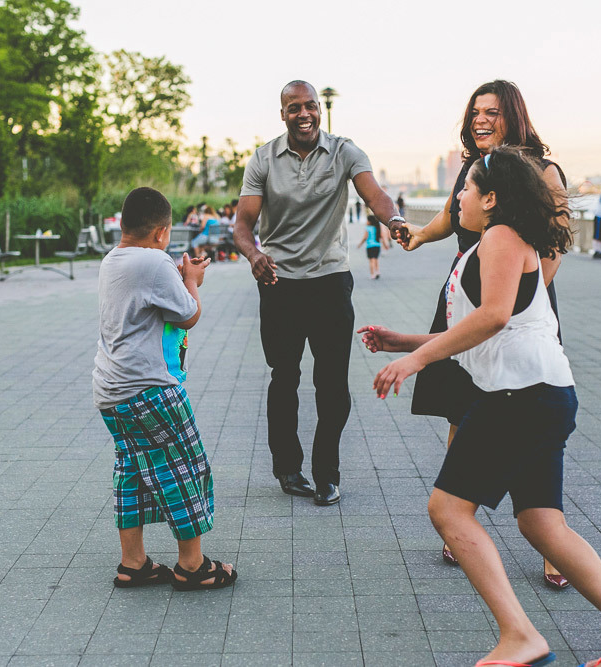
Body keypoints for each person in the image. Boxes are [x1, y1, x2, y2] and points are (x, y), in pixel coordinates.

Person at [362, 147, 601, 667]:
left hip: (518, 397)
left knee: (448, 509)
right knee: (541, 524)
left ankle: (520, 637)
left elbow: (495, 318)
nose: (458, 196)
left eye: (466, 188)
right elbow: (484, 325)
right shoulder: (493, 240)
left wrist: (416, 360)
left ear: (491, 197)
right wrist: (403, 341)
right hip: (544, 395)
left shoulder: (502, 237)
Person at [396, 80, 568, 587]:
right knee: (461, 409)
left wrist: (518, 305)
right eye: (475, 112)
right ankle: (458, 525)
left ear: (514, 116)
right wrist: (418, 237)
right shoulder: (474, 171)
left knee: (532, 417)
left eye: (492, 112)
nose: (481, 119)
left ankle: (552, 545)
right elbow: (451, 218)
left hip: (515, 309)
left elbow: (553, 249)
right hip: (467, 302)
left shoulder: (542, 171)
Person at [233, 80, 408, 506]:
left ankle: (326, 473)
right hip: (279, 284)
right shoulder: (262, 159)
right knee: (284, 377)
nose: (304, 114)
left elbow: (375, 195)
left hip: (330, 281)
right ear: (282, 114)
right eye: (294, 108)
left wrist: (395, 220)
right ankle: (288, 468)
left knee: (331, 382)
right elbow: (242, 225)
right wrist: (254, 255)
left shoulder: (345, 151)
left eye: (310, 106)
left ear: (319, 110)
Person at [92, 187, 236, 592]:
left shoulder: (112, 259)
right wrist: (192, 280)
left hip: (111, 391)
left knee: (134, 469)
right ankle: (193, 566)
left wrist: (176, 274)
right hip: (149, 390)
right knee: (183, 468)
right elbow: (188, 315)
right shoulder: (155, 262)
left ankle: (133, 563)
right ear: (161, 232)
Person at [357, 214, 391, 279]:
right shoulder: (377, 227)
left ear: (370, 222)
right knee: (376, 259)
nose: (366, 222)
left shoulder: (368, 228)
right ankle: (377, 271)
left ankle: (372, 274)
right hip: (377, 246)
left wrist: (360, 244)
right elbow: (382, 237)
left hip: (370, 246)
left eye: (367, 221)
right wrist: (385, 245)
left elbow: (365, 237)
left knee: (371, 261)